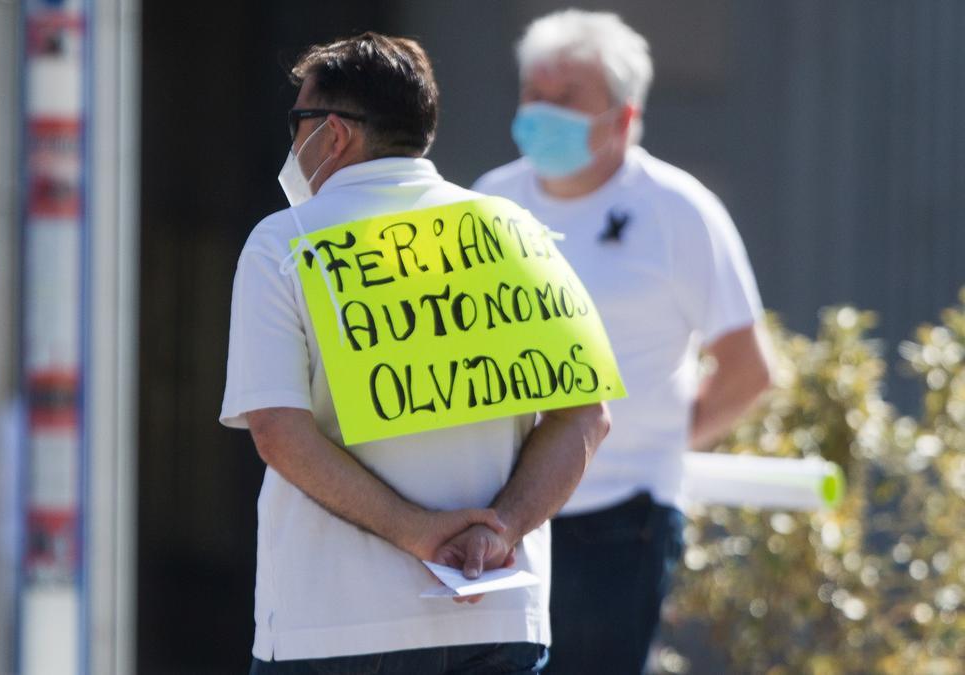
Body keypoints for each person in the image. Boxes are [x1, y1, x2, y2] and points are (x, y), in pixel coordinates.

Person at [220, 32, 611, 674]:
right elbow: (585, 415)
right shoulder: (513, 231)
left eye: (300, 122)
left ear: (335, 134)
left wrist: (416, 533)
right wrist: (501, 530)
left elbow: (278, 432)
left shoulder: (285, 243)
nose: (293, 144)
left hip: (334, 628)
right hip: (496, 619)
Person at [472, 9, 773, 674]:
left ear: (624, 118)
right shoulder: (487, 206)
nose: (543, 113)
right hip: (507, 516)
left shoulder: (678, 210)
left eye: (567, 99)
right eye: (534, 95)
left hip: (622, 517)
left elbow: (748, 368)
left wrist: (660, 440)